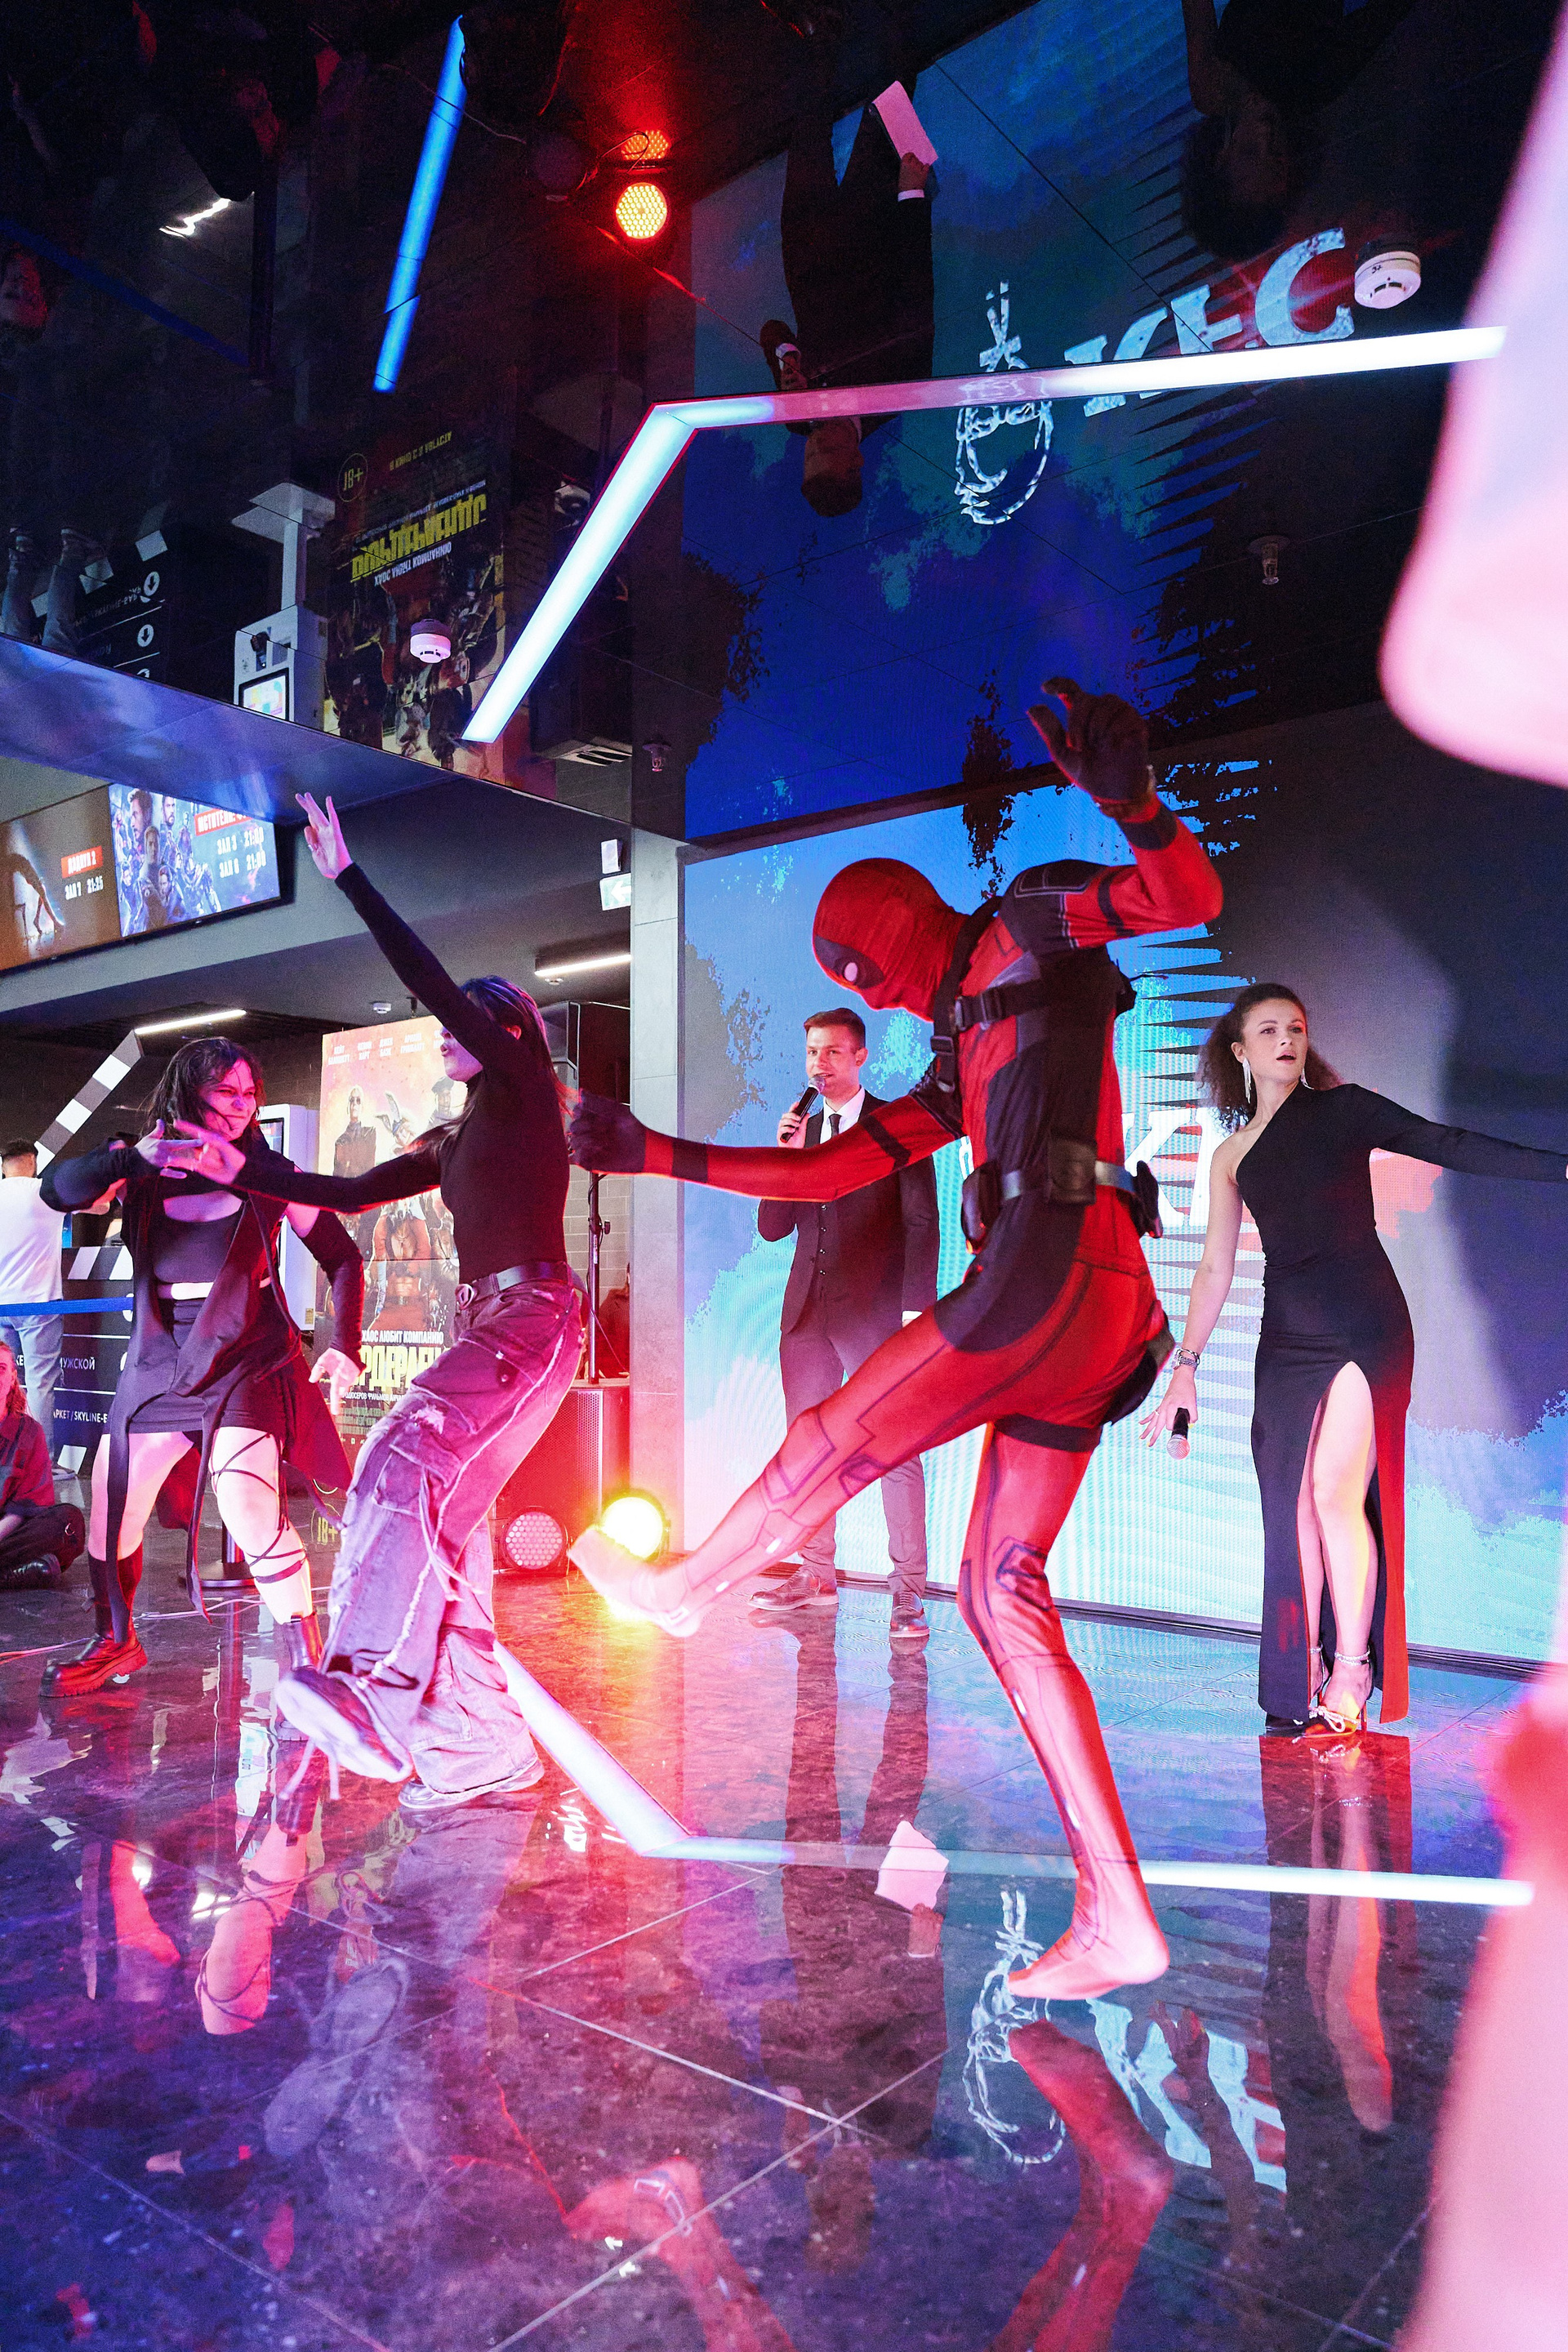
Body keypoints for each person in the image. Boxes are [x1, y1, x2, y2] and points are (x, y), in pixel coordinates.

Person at [571, 679, 1223, 2003]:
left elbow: (1183, 900)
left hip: (1049, 1273)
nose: (870, 992)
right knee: (1000, 1590)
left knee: (839, 1433)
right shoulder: (953, 1043)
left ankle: (688, 1591)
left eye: (857, 972)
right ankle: (1117, 1914)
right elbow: (829, 1173)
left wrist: (1138, 805)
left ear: (883, 949)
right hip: (1090, 1307)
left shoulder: (1029, 921)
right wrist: (656, 1155)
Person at [168, 791, 583, 1815]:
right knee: (445, 1531)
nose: (445, 1031)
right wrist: (242, 1165)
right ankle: (479, 1751)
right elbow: (348, 1194)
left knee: (401, 1452)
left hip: (535, 1318)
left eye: (465, 1022)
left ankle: (372, 1690)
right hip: (489, 1324)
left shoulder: (527, 1090)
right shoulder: (458, 1136)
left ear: (507, 1032)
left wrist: (348, 875)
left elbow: (430, 980)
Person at [1141, 984, 1568, 1733]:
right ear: (1240, 1052)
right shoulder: (1231, 1156)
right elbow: (1214, 1267)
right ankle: (1301, 1664)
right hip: (1286, 1337)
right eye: (1268, 1030)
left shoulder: (1345, 1110)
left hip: (1361, 1322)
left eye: (1296, 1028)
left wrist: (1560, 1167)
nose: (1286, 1039)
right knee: (1291, 1504)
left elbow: (1447, 1143)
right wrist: (1186, 1367)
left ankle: (1352, 1667)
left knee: (1334, 1491)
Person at [38, 1041, 366, 1695]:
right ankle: (115, 1642)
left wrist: (346, 1342)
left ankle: (309, 1668)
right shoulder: (140, 1167)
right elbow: (56, 1191)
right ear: (190, 1091)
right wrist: (131, 1158)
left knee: (248, 1507)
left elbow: (343, 1256)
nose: (240, 1106)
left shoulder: (271, 1173)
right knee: (111, 1507)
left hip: (244, 1355)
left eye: (249, 1094)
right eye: (225, 1092)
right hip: (159, 1357)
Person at [755, 1005, 938, 1637]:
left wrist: (914, 1315)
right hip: (806, 1316)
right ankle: (816, 1576)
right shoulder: (803, 1131)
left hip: (875, 1315)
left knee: (893, 1449)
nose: (819, 1064)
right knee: (808, 1452)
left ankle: (908, 1593)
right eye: (812, 1052)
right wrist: (783, 1159)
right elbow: (772, 1228)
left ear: (860, 1057)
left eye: (832, 1051)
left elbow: (922, 1224)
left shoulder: (896, 1127)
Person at [761, 77, 934, 518]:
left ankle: (816, 46)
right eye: (827, 453)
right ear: (856, 461)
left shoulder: (797, 415)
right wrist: (912, 195)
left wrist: (786, 357)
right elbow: (916, 285)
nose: (815, 441)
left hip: (805, 244)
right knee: (888, 98)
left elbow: (772, 331)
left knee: (807, 128)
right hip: (868, 231)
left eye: (810, 454)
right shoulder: (899, 392)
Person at [1178, 0, 1420, 259]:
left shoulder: (1212, 89)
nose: (1264, 132)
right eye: (1275, 152)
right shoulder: (1316, 85)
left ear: (1219, 159)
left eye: (1250, 151)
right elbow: (1385, 14)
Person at [0, 1134, 65, 1463]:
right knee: (40, 1383)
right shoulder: (46, 1192)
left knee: (3, 1384)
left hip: (1, 1304)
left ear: (3, 1165)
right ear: (33, 1160)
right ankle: (39, 1464)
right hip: (39, 1302)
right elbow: (101, 1207)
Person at [0, 1338, 82, 1588]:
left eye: (1, 1369)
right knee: (47, 1565)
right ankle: (10, 1575)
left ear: (12, 1378)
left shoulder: (29, 1432)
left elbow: (21, 1511)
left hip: (6, 1533)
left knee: (68, 1522)